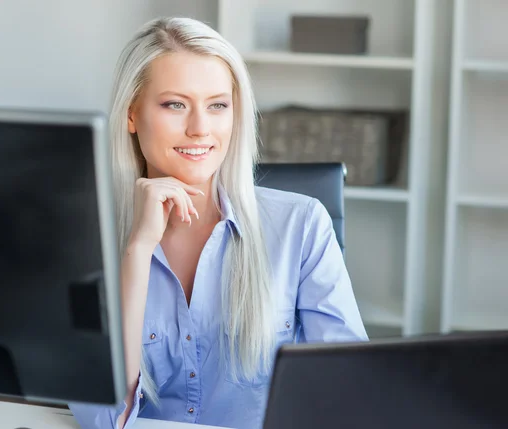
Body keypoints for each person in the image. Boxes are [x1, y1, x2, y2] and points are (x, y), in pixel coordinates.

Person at [69, 16, 368, 429]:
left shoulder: (302, 226)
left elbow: (349, 397)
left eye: (217, 105)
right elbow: (103, 420)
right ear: (132, 114)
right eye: (175, 104)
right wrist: (137, 253)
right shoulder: (86, 237)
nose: (199, 129)